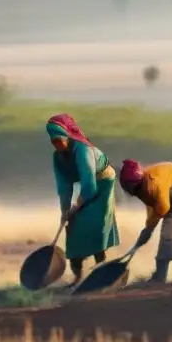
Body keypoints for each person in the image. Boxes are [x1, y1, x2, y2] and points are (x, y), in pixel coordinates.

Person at [46, 113, 121, 287]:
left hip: (102, 183)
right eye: (52, 141)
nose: (56, 144)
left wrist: (77, 204)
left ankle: (100, 270)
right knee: (73, 227)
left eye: (58, 139)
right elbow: (64, 187)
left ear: (67, 136)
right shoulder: (57, 157)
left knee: (95, 224)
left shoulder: (83, 150)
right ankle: (78, 277)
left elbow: (89, 185)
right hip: (87, 184)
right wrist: (65, 211)